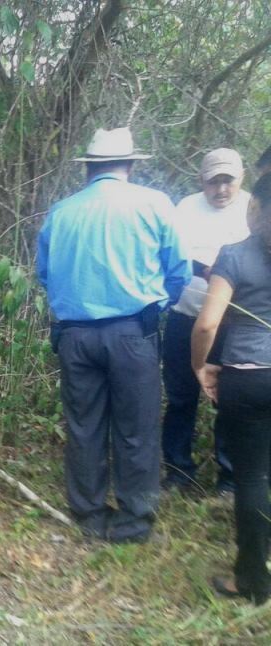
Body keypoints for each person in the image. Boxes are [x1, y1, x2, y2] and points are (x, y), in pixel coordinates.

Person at [37, 127, 190, 544]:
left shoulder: (62, 211)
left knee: (84, 425)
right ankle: (135, 518)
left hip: (75, 336)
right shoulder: (153, 204)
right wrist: (160, 304)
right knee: (136, 426)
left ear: (88, 167)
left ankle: (88, 513)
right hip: (132, 333)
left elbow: (45, 275)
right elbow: (179, 270)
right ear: (131, 164)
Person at [191, 172, 271, 605]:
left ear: (254, 208)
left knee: (253, 477)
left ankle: (254, 580)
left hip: (249, 377)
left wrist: (200, 366)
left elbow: (206, 322)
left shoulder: (236, 256)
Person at [162, 148, 250, 494]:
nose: (221, 189)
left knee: (229, 399)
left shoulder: (253, 210)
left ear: (241, 179)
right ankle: (178, 471)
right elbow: (171, 257)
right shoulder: (184, 208)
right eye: (214, 182)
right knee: (181, 397)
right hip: (186, 317)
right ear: (202, 181)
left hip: (234, 324)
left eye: (228, 181)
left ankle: (228, 477)